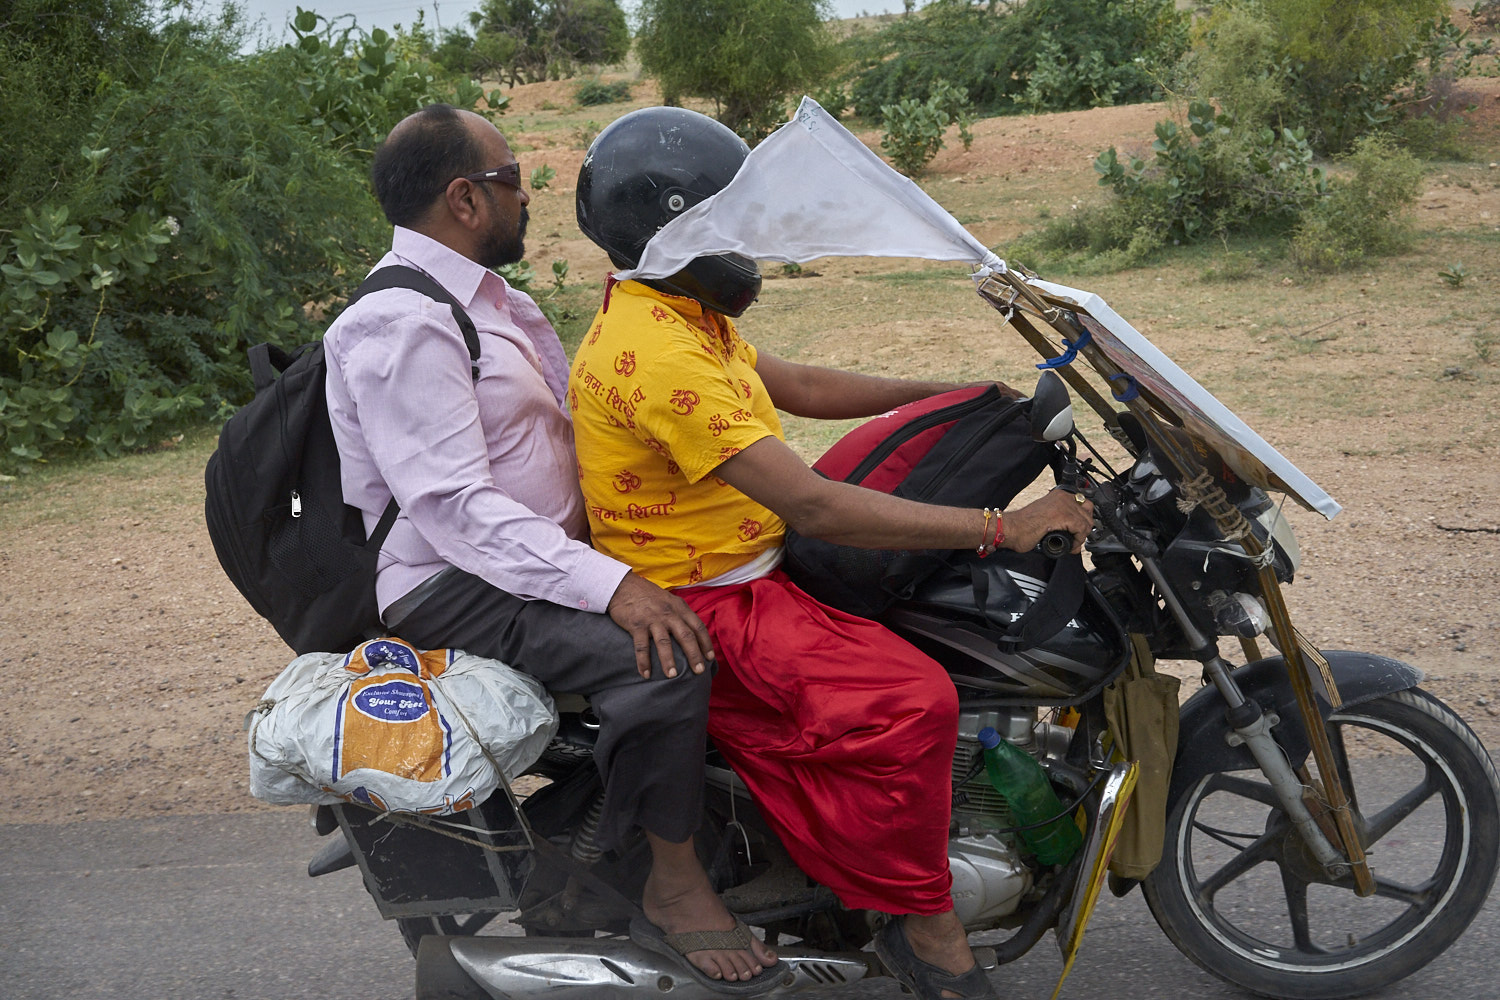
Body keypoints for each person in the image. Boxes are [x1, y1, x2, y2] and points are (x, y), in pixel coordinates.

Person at [569, 107, 1094, 1000]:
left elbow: (799, 384)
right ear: (677, 224)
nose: (749, 243)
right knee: (912, 700)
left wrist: (948, 393)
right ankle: (922, 923)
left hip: (743, 575)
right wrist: (1001, 526)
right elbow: (811, 502)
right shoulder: (661, 355)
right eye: (728, 220)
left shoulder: (675, 310)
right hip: (710, 607)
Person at [321, 103, 779, 988]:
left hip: (529, 561)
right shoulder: (400, 323)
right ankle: (677, 889)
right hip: (450, 582)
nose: (527, 196)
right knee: (665, 657)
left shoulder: (491, 299)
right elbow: (452, 507)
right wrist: (612, 586)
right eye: (511, 180)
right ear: (464, 198)